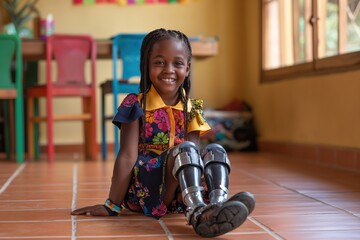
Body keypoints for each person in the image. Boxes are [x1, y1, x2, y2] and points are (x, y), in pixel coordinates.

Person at [71, 28, 255, 238]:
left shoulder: (191, 108)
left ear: (187, 68)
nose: (168, 69)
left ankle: (217, 204)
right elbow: (127, 156)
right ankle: (197, 214)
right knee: (185, 149)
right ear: (146, 66)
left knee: (215, 150)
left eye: (177, 63)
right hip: (146, 190)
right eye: (159, 62)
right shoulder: (136, 104)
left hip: (180, 191)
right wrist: (112, 205)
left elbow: (194, 155)